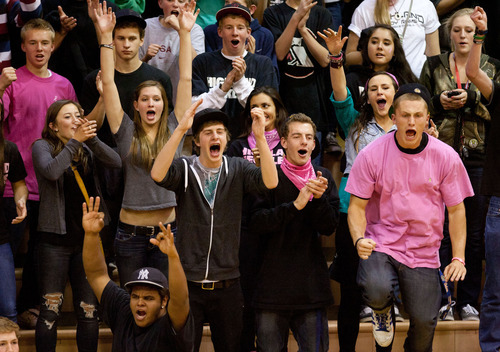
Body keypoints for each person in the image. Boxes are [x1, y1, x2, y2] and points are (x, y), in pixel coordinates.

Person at [346, 82, 472, 351]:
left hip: (424, 251)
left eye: (418, 115)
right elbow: (356, 207)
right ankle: (381, 311)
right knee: (376, 287)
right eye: (405, 115)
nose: (411, 121)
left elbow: (457, 209)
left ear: (428, 119)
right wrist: (359, 239)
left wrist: (458, 256)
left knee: (426, 323)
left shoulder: (445, 156)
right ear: (394, 118)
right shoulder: (371, 154)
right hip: (382, 243)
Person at [150, 102, 279, 349]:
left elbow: (270, 183)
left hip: (228, 284)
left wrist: (260, 136)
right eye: (208, 133)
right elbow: (157, 174)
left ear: (227, 139)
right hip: (188, 284)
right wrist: (179, 131)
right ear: (197, 141)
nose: (215, 136)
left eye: (219, 131)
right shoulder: (186, 168)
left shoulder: (238, 168)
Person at [95, 0, 197, 286]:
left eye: (157, 98)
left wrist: (185, 34)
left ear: (165, 105)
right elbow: (111, 84)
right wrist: (105, 38)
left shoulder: (176, 127)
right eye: (145, 99)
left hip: (167, 233)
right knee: (131, 306)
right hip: (129, 234)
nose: (151, 102)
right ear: (136, 105)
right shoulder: (124, 129)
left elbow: (186, 77)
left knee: (163, 307)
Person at [0, 18, 90, 329]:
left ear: (53, 46)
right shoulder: (12, 80)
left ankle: (27, 308)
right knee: (7, 250)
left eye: (45, 43)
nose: (39, 48)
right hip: (16, 183)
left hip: (53, 182)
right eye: (33, 43)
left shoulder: (64, 84)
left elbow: (77, 126)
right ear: (22, 46)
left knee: (41, 251)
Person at [321, 26, 400, 352]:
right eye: (374, 88)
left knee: (384, 294)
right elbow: (340, 91)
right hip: (351, 213)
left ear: (395, 95)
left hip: (394, 218)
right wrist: (337, 58)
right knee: (352, 292)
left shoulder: (407, 126)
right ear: (367, 95)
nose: (380, 92)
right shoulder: (353, 121)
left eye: (386, 87)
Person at [420, 6, 500, 322]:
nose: (463, 35)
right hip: (440, 158)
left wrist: (473, 101)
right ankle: (443, 299)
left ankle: (467, 301)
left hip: (479, 157)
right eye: (457, 30)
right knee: (440, 231)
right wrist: (438, 103)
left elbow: (497, 111)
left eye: (469, 30)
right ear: (448, 34)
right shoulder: (433, 65)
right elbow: (416, 105)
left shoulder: (492, 67)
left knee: (476, 234)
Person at [32, 100, 121, 351]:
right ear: (53, 125)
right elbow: (51, 171)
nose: (75, 121)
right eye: (67, 117)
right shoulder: (42, 146)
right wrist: (76, 142)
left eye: (77, 116)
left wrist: (90, 140)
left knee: (89, 311)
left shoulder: (86, 147)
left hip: (89, 241)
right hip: (54, 242)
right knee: (50, 310)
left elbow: (116, 162)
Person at [249, 113, 339, 351]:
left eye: (309, 137)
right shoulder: (269, 176)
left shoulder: (323, 178)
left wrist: (317, 200)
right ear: (284, 142)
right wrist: (295, 206)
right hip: (271, 289)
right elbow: (257, 223)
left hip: (311, 289)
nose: (304, 142)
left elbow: (329, 226)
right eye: (297, 136)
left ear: (313, 144)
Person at [82, 197, 194, 351]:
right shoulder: (123, 310)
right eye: (135, 296)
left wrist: (173, 257)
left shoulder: (169, 325)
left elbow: (181, 300)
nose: (140, 302)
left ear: (164, 301)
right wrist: (91, 235)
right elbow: (96, 275)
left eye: (148, 298)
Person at [226, 85, 287, 351]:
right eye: (255, 107)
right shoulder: (237, 146)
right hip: (246, 229)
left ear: (277, 110)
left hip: (281, 226)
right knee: (247, 295)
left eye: (266, 105)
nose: (261, 111)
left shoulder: (289, 142)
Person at [466, 6, 500, 352]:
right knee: (494, 291)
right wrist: (479, 34)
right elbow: (473, 71)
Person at [192, 3, 278, 139]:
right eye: (229, 27)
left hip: (250, 143)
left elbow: (266, 113)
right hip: (212, 142)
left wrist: (240, 81)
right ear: (220, 32)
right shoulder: (202, 62)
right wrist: (222, 89)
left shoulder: (263, 64)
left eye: (240, 27)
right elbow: (194, 109)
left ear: (248, 32)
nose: (235, 32)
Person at [262, 0, 334, 156]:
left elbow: (325, 59)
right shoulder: (272, 13)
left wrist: (303, 30)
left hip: (315, 103)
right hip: (284, 101)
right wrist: (296, 18)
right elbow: (280, 53)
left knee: (309, 167)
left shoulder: (322, 14)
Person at [345, 0, 441, 78]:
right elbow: (349, 57)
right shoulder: (364, 8)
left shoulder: (424, 5)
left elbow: (434, 57)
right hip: (379, 85)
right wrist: (372, 53)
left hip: (417, 84)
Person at [140, 0, 205, 104]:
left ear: (188, 4)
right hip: (149, 100)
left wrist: (181, 30)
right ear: (160, 3)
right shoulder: (146, 26)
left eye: (181, 1)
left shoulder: (195, 30)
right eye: (170, 0)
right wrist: (146, 57)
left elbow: (197, 67)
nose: (175, 4)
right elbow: (132, 69)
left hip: (180, 100)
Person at [342, 23, 417, 110]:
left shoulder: (406, 80)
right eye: (374, 42)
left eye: (386, 43)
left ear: (394, 51)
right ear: (366, 48)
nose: (380, 47)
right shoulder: (352, 79)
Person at [0, 101, 28, 324]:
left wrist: (21, 200)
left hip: (0, 237)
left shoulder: (8, 149)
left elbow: (19, 183)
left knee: (9, 309)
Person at [203, 0, 278, 77]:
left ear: (251, 9)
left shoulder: (265, 35)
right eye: (227, 2)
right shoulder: (210, 32)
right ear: (220, 32)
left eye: (236, 4)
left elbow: (270, 77)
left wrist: (250, 59)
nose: (230, 6)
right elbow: (207, 70)